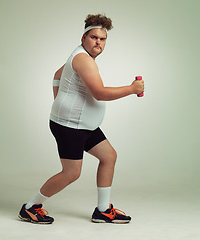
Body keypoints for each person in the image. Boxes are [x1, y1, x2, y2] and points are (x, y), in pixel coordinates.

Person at [18, 14, 144, 224]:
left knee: (109, 157)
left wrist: (60, 100)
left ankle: (103, 210)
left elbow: (58, 74)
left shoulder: (79, 56)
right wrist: (132, 89)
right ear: (84, 37)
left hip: (84, 124)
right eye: (94, 37)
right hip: (70, 126)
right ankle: (30, 207)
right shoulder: (84, 60)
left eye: (102, 39)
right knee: (71, 173)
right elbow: (99, 93)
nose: (98, 43)